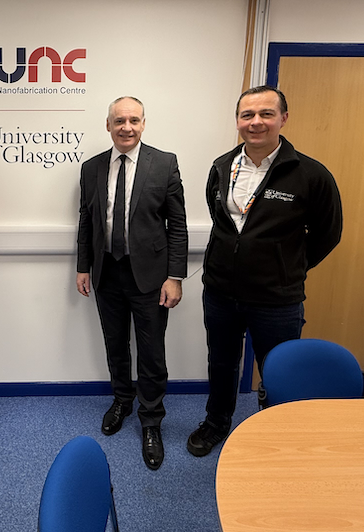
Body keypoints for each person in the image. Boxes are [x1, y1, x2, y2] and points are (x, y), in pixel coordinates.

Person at [187, 86, 343, 457]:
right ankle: (216, 422)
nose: (256, 122)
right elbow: (223, 221)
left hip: (277, 299)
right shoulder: (222, 166)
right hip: (222, 293)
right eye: (247, 115)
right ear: (238, 121)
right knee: (221, 362)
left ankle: (277, 432)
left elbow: (329, 233)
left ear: (283, 119)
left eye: (266, 114)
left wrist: (288, 268)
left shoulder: (310, 174)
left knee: (276, 370)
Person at [76, 96, 188, 470]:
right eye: (119, 120)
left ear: (143, 124)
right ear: (107, 125)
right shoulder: (91, 168)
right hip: (107, 272)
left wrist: (175, 276)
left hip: (152, 278)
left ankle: (151, 420)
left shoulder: (164, 163)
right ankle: (122, 400)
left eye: (134, 120)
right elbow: (87, 222)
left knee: (152, 350)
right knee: (116, 345)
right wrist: (82, 267)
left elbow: (178, 225)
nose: (127, 127)